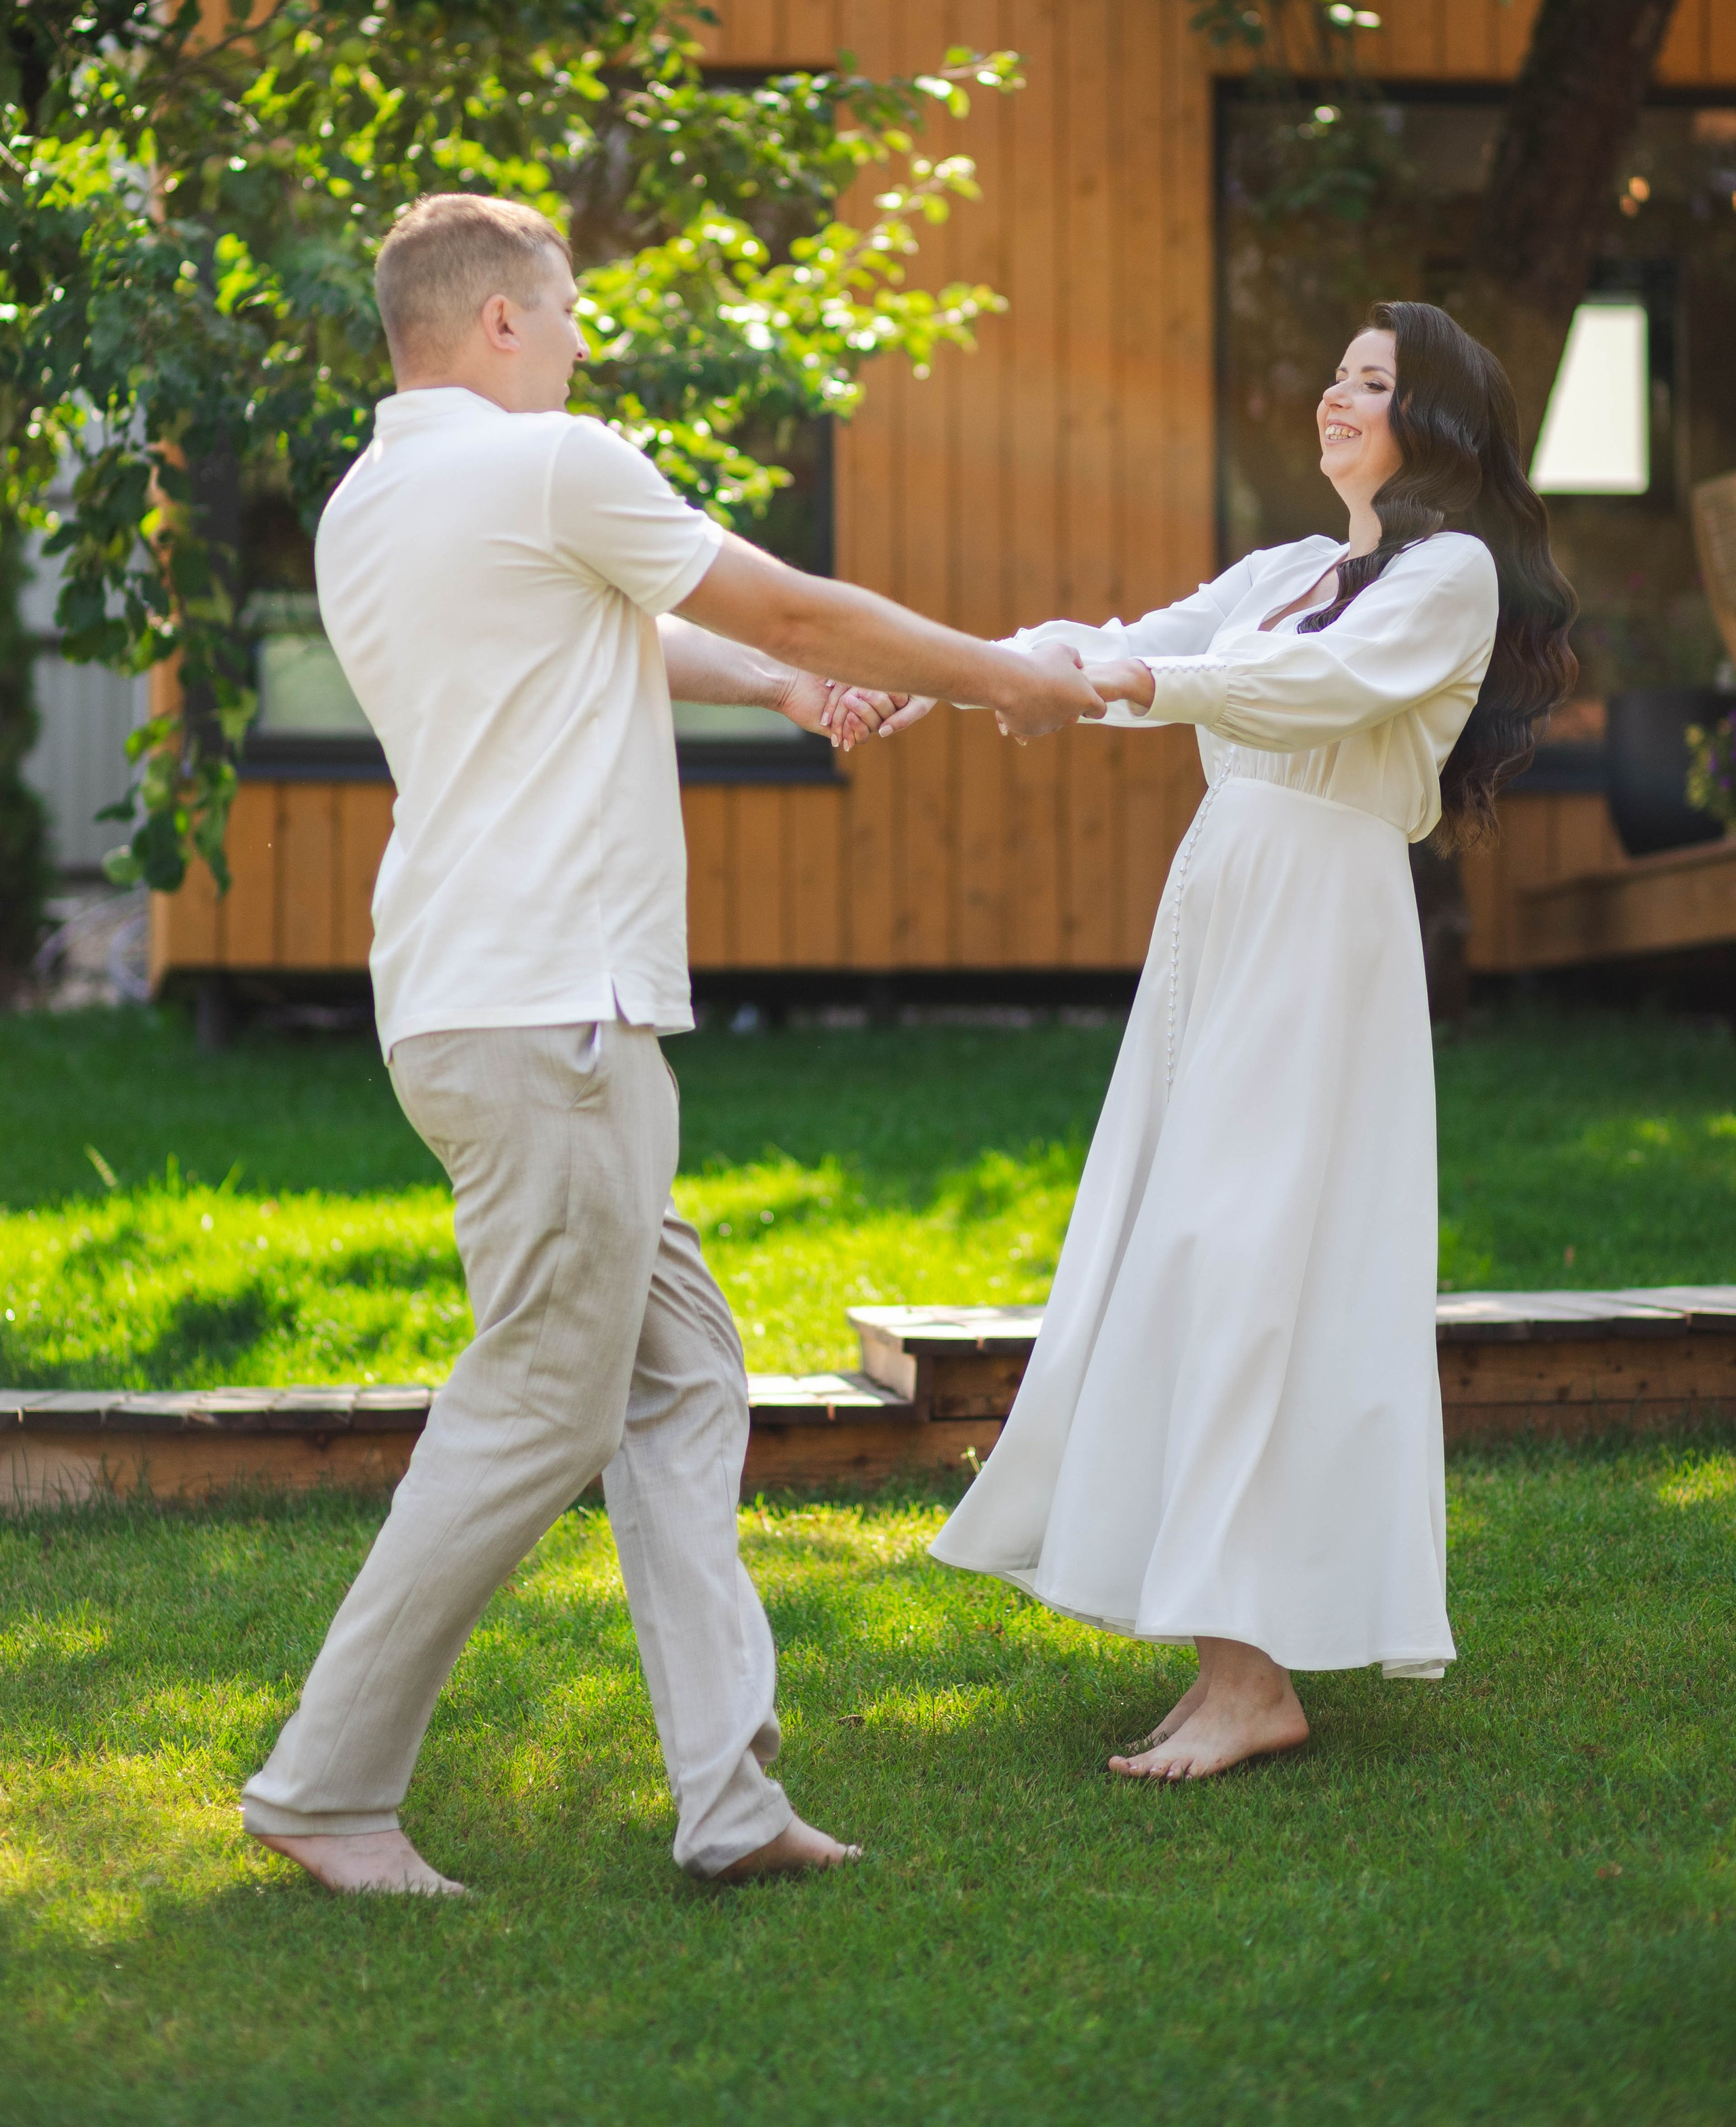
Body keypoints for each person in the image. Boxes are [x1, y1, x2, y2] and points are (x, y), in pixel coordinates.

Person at [240, 192, 1103, 1894]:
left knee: (685, 1376)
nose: (577, 339)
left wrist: (784, 697)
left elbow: (629, 630)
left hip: (482, 1006)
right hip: (548, 1015)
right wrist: (1011, 677)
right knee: (541, 1407)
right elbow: (789, 601)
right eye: (561, 311)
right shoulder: (551, 461)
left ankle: (725, 1794)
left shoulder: (377, 501)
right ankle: (324, 1786)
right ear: (496, 320)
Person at [887, 300, 1576, 1780]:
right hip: (1223, 909)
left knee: (1251, 1258)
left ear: (1434, 422)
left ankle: (1252, 1675)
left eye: (1370, 382)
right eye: (1332, 375)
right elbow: (1125, 640)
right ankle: (1229, 1660)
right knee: (1187, 1248)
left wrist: (1141, 687)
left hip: (1318, 919)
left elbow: (1313, 688)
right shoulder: (1290, 570)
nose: (1333, 399)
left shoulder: (1446, 574)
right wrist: (945, 671)